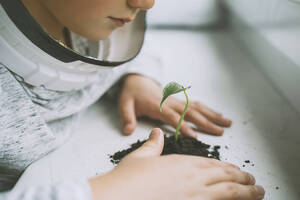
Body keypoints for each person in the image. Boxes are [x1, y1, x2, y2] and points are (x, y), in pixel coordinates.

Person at [0, 0, 265, 199]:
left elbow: (135, 41)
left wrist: (136, 77)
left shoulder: (87, 19)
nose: (146, 3)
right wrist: (115, 192)